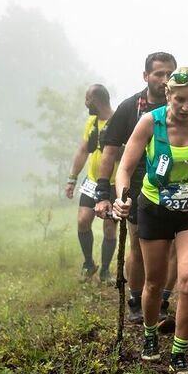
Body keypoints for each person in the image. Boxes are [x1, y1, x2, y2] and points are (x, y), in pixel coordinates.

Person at [113, 67, 188, 374]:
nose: (187, 107)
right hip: (154, 207)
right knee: (154, 282)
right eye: (180, 100)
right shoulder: (150, 122)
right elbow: (125, 167)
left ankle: (179, 352)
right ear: (168, 96)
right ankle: (149, 333)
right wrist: (123, 196)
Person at [94, 52, 179, 326]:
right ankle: (135, 300)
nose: (164, 80)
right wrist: (103, 193)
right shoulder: (130, 108)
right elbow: (109, 152)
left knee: (172, 248)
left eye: (169, 74)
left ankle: (161, 302)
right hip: (136, 188)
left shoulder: (181, 107)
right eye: (158, 74)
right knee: (139, 245)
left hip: (175, 189)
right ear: (146, 76)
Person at [65, 84, 118, 282]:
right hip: (92, 181)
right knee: (82, 220)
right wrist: (72, 178)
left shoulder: (118, 121)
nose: (85, 102)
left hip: (113, 184)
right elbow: (82, 151)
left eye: (87, 98)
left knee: (109, 228)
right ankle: (89, 263)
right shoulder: (91, 122)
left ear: (95, 100)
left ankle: (105, 270)